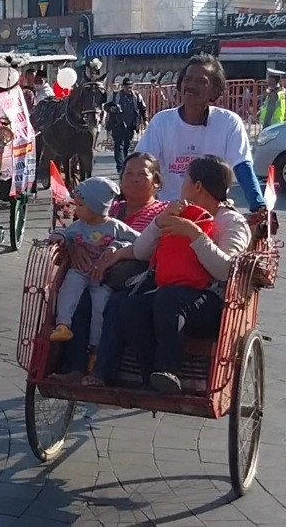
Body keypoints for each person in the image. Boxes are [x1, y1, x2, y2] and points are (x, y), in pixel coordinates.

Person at [86, 155, 251, 392]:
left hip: (211, 302)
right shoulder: (178, 210)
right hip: (169, 291)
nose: (181, 186)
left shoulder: (231, 222)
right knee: (128, 307)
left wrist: (195, 235)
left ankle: (168, 369)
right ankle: (149, 375)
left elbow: (226, 270)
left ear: (197, 187)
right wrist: (159, 222)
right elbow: (143, 251)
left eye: (185, 180)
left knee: (168, 298)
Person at [53, 152, 169, 378]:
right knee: (77, 296)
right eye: (128, 174)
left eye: (141, 175)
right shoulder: (109, 208)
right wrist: (73, 247)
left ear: (156, 181)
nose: (134, 179)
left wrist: (118, 252)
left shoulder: (161, 213)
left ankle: (101, 372)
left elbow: (156, 249)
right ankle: (74, 367)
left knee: (114, 304)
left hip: (134, 280)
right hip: (93, 275)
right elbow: (79, 230)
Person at [135, 54, 266, 214]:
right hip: (169, 212)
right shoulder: (161, 122)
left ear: (215, 90)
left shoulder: (229, 123)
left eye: (201, 81)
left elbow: (242, 166)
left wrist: (258, 205)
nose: (191, 85)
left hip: (213, 214)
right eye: (188, 79)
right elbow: (143, 164)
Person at [47, 178, 139, 372]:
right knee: (68, 290)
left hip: (101, 276)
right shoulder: (78, 225)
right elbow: (65, 233)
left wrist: (117, 246)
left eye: (81, 205)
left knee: (100, 307)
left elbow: (137, 240)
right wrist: (58, 238)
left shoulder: (115, 226)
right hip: (79, 272)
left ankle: (95, 347)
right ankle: (63, 324)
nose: (76, 210)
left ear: (97, 207)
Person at [107, 78, 148, 173]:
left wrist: (145, 120)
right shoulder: (115, 95)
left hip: (130, 125)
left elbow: (143, 108)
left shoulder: (137, 96)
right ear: (123, 87)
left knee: (126, 146)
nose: (129, 89)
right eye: (127, 87)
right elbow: (106, 106)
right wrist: (112, 109)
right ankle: (120, 167)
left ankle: (124, 163)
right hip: (118, 124)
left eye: (131, 87)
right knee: (119, 145)